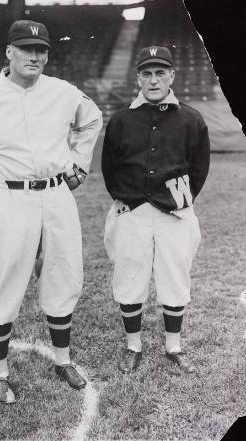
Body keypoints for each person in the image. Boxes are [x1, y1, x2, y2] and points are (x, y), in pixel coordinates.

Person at [0, 20, 102, 403]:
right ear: (8, 52)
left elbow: (92, 119)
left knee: (64, 273)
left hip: (57, 195)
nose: (35, 56)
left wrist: (78, 164)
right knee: (6, 280)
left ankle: (63, 361)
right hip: (8, 199)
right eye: (26, 48)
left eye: (41, 49)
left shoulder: (63, 91)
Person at [101, 46, 210, 374]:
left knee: (174, 276)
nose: (153, 79)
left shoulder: (190, 118)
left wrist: (177, 199)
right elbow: (110, 168)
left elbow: (199, 169)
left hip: (174, 212)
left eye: (160, 72)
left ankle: (173, 346)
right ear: (138, 78)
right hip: (131, 209)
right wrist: (130, 198)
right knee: (129, 275)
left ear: (171, 76)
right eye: (147, 73)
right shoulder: (121, 119)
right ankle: (133, 346)